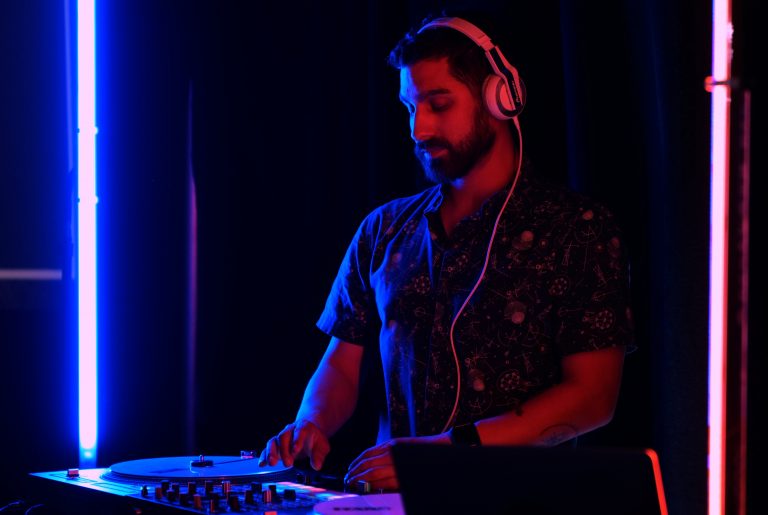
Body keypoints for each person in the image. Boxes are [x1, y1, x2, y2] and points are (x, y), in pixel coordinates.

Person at [258, 11, 634, 492]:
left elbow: (593, 397)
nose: (419, 129)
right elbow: (341, 364)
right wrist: (310, 422)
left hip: (522, 502)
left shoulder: (577, 229)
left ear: (499, 99)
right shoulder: (383, 229)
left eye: (439, 104)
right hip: (395, 500)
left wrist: (452, 451)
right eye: (410, 108)